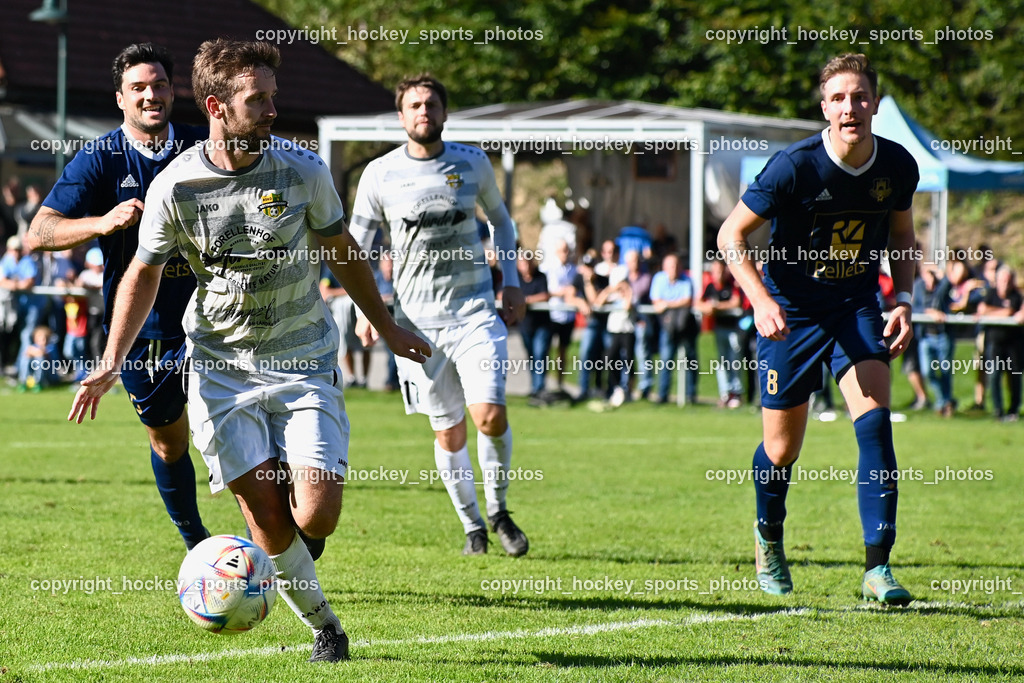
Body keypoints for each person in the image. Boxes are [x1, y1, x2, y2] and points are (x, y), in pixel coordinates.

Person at [68, 39, 429, 663]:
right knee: (265, 512)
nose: (270, 109)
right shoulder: (177, 186)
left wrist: (389, 327)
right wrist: (110, 358)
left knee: (315, 516)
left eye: (272, 96)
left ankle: (290, 543)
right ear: (217, 106)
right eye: (256, 99)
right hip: (221, 367)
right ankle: (326, 628)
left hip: (303, 359)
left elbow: (342, 250)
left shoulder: (302, 169)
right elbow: (143, 273)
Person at [717, 54, 918, 605]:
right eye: (838, 98)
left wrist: (901, 299)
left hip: (855, 304)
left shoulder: (897, 166)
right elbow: (730, 236)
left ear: (875, 103)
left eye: (859, 97)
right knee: (781, 451)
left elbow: (902, 237)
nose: (850, 107)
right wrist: (758, 299)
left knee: (876, 426)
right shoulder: (794, 166)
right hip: (792, 314)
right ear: (824, 107)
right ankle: (769, 538)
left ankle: (878, 570)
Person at [25, 43, 211, 550]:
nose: (151, 95)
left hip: (217, 321)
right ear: (121, 99)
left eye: (159, 85)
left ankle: (279, 540)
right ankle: (198, 546)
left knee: (239, 436)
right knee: (168, 442)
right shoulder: (99, 157)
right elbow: (39, 232)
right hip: (143, 332)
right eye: (139, 88)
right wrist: (101, 222)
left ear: (174, 91)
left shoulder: (204, 147)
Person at [348, 74, 530, 557]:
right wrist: (370, 310)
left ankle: (499, 511)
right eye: (414, 105)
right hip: (414, 324)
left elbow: (502, 221)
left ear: (445, 113)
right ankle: (473, 527)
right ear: (402, 117)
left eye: (431, 104)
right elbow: (356, 247)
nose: (423, 111)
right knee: (447, 430)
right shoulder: (379, 174)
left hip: (474, 313)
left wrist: (511, 280)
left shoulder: (472, 162)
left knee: (488, 415)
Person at [650, 253, 698, 404]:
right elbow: (656, 302)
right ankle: (662, 395)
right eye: (671, 266)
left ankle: (691, 395)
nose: (674, 269)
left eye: (676, 265)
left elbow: (687, 301)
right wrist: (672, 304)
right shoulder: (659, 279)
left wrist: (667, 304)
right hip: (668, 325)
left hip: (686, 325)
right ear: (664, 267)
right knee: (666, 360)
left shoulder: (687, 279)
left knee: (691, 360)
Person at [978, 265, 1022, 421]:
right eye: (1003, 280)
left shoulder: (1017, 296)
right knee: (994, 375)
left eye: (1008, 280)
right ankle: (998, 409)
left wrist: (994, 313)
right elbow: (982, 310)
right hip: (995, 343)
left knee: (1014, 376)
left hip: (1014, 345)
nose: (1005, 283)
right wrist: (1005, 313)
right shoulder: (990, 294)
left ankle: (1014, 409)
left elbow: (1018, 314)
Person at [699, 258, 744, 408]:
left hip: (733, 329)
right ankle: (725, 393)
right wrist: (707, 308)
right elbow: (699, 303)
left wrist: (717, 306)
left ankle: (736, 392)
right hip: (719, 328)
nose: (717, 274)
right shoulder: (710, 286)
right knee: (722, 362)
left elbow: (736, 302)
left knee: (735, 360)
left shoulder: (731, 283)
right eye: (714, 271)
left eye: (719, 270)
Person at [918, 264, 955, 417]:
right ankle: (943, 400)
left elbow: (949, 281)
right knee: (928, 372)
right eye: (928, 272)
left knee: (945, 371)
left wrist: (941, 274)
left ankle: (946, 403)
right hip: (926, 336)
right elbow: (914, 307)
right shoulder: (918, 287)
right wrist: (930, 312)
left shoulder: (942, 287)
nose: (930, 275)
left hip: (943, 335)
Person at [516, 251, 552, 398]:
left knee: (540, 354)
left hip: (542, 325)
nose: (526, 266)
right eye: (523, 263)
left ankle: (539, 388)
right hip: (525, 325)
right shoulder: (515, 279)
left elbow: (545, 295)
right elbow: (501, 293)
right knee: (531, 356)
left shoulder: (540, 276)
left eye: (528, 262)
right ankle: (534, 387)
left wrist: (526, 300)